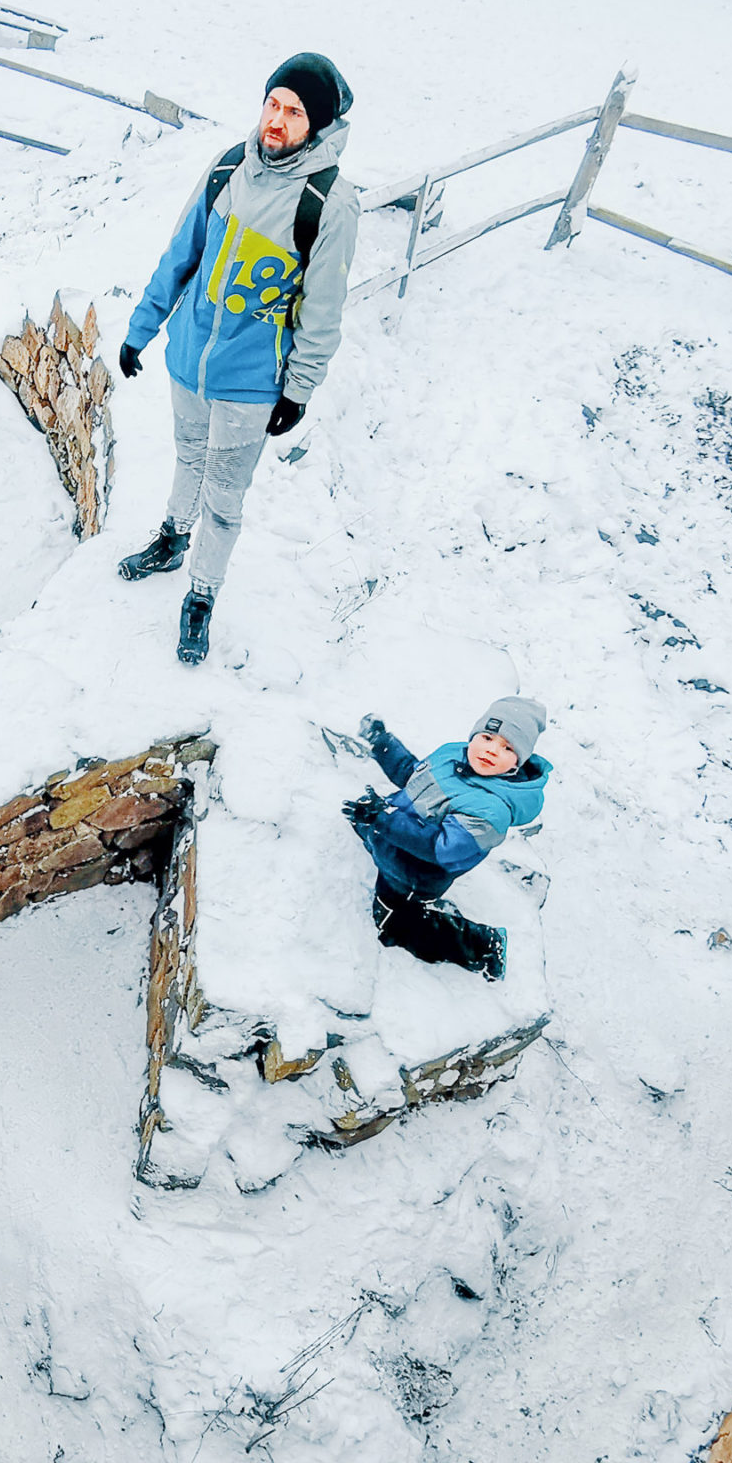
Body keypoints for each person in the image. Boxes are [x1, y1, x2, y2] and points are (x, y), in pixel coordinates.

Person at [113, 52, 361, 667]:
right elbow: (182, 252)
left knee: (225, 498)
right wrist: (143, 328)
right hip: (190, 362)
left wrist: (298, 390)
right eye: (272, 103)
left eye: (295, 111)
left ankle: (201, 596)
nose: (276, 120)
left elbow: (323, 310)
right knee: (186, 458)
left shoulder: (328, 203)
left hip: (250, 386)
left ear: (319, 124)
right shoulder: (230, 167)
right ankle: (172, 540)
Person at [342, 697, 550, 980]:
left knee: (393, 926)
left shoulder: (492, 811)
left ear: (519, 760)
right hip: (391, 834)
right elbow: (411, 775)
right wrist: (382, 742)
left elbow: (440, 847)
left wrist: (382, 819)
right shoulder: (452, 755)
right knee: (364, 823)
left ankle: (483, 946)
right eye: (488, 737)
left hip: (413, 874)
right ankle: (375, 834)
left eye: (508, 747)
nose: (491, 750)